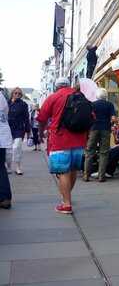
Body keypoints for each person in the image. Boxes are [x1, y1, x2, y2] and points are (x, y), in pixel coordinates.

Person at [37, 77, 88, 214]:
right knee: (73, 169)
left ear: (56, 86)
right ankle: (66, 196)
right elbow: (91, 116)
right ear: (68, 84)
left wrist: (41, 133)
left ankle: (66, 204)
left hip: (60, 139)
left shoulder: (54, 97)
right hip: (79, 139)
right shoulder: (80, 96)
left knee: (62, 172)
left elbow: (42, 118)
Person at [83, 88, 116, 182]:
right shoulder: (109, 104)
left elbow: (88, 117)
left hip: (93, 129)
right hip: (105, 129)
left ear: (97, 96)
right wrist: (111, 124)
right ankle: (101, 176)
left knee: (89, 152)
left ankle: (86, 175)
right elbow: (113, 118)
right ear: (105, 96)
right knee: (104, 152)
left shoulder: (92, 104)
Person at [7, 87, 30, 175]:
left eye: (19, 94)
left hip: (19, 129)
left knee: (16, 147)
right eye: (15, 93)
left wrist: (28, 131)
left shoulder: (23, 104)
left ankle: (18, 167)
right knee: (8, 150)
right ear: (12, 93)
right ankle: (8, 167)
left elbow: (26, 118)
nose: (17, 95)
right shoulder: (7, 103)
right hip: (7, 129)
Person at [0, 89, 13, 209]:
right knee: (0, 167)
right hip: (2, 136)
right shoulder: (2, 97)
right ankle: (5, 197)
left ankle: (4, 197)